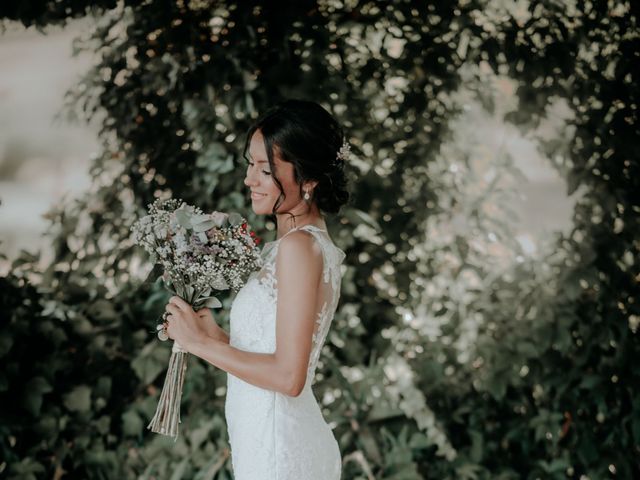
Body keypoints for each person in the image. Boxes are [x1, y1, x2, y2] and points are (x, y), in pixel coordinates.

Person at [163, 99, 350, 479]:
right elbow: (277, 352)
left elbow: (288, 378)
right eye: (251, 164)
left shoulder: (299, 248)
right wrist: (217, 337)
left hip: (280, 450)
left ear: (308, 178)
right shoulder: (294, 246)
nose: (250, 179)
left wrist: (200, 344)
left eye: (266, 170)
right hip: (266, 439)